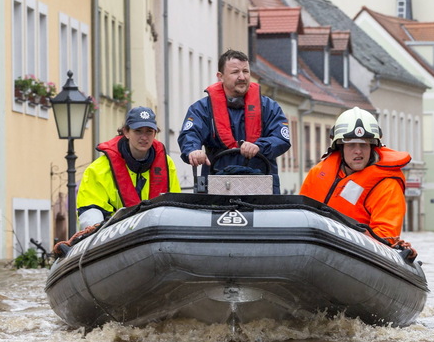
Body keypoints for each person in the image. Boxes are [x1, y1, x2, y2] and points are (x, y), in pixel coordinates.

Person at [300, 107, 416, 257]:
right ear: (340, 148)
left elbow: (385, 235)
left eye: (364, 145)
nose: (358, 151)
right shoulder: (319, 174)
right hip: (317, 249)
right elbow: (301, 216)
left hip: (358, 255)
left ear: (372, 147)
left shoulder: (387, 185)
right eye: (351, 145)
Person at [178, 49, 291, 193]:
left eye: (246, 71)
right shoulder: (202, 109)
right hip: (217, 185)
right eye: (235, 72)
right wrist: (193, 151)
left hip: (261, 186)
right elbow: (190, 133)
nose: (242, 77)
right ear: (221, 76)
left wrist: (259, 147)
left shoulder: (269, 107)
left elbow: (281, 138)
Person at [75, 106, 182, 230]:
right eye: (138, 131)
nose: (144, 137)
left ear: (155, 134)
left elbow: (174, 204)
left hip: (154, 233)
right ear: (126, 132)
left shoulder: (167, 164)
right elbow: (90, 209)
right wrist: (95, 229)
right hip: (113, 236)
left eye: (149, 131)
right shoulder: (99, 169)